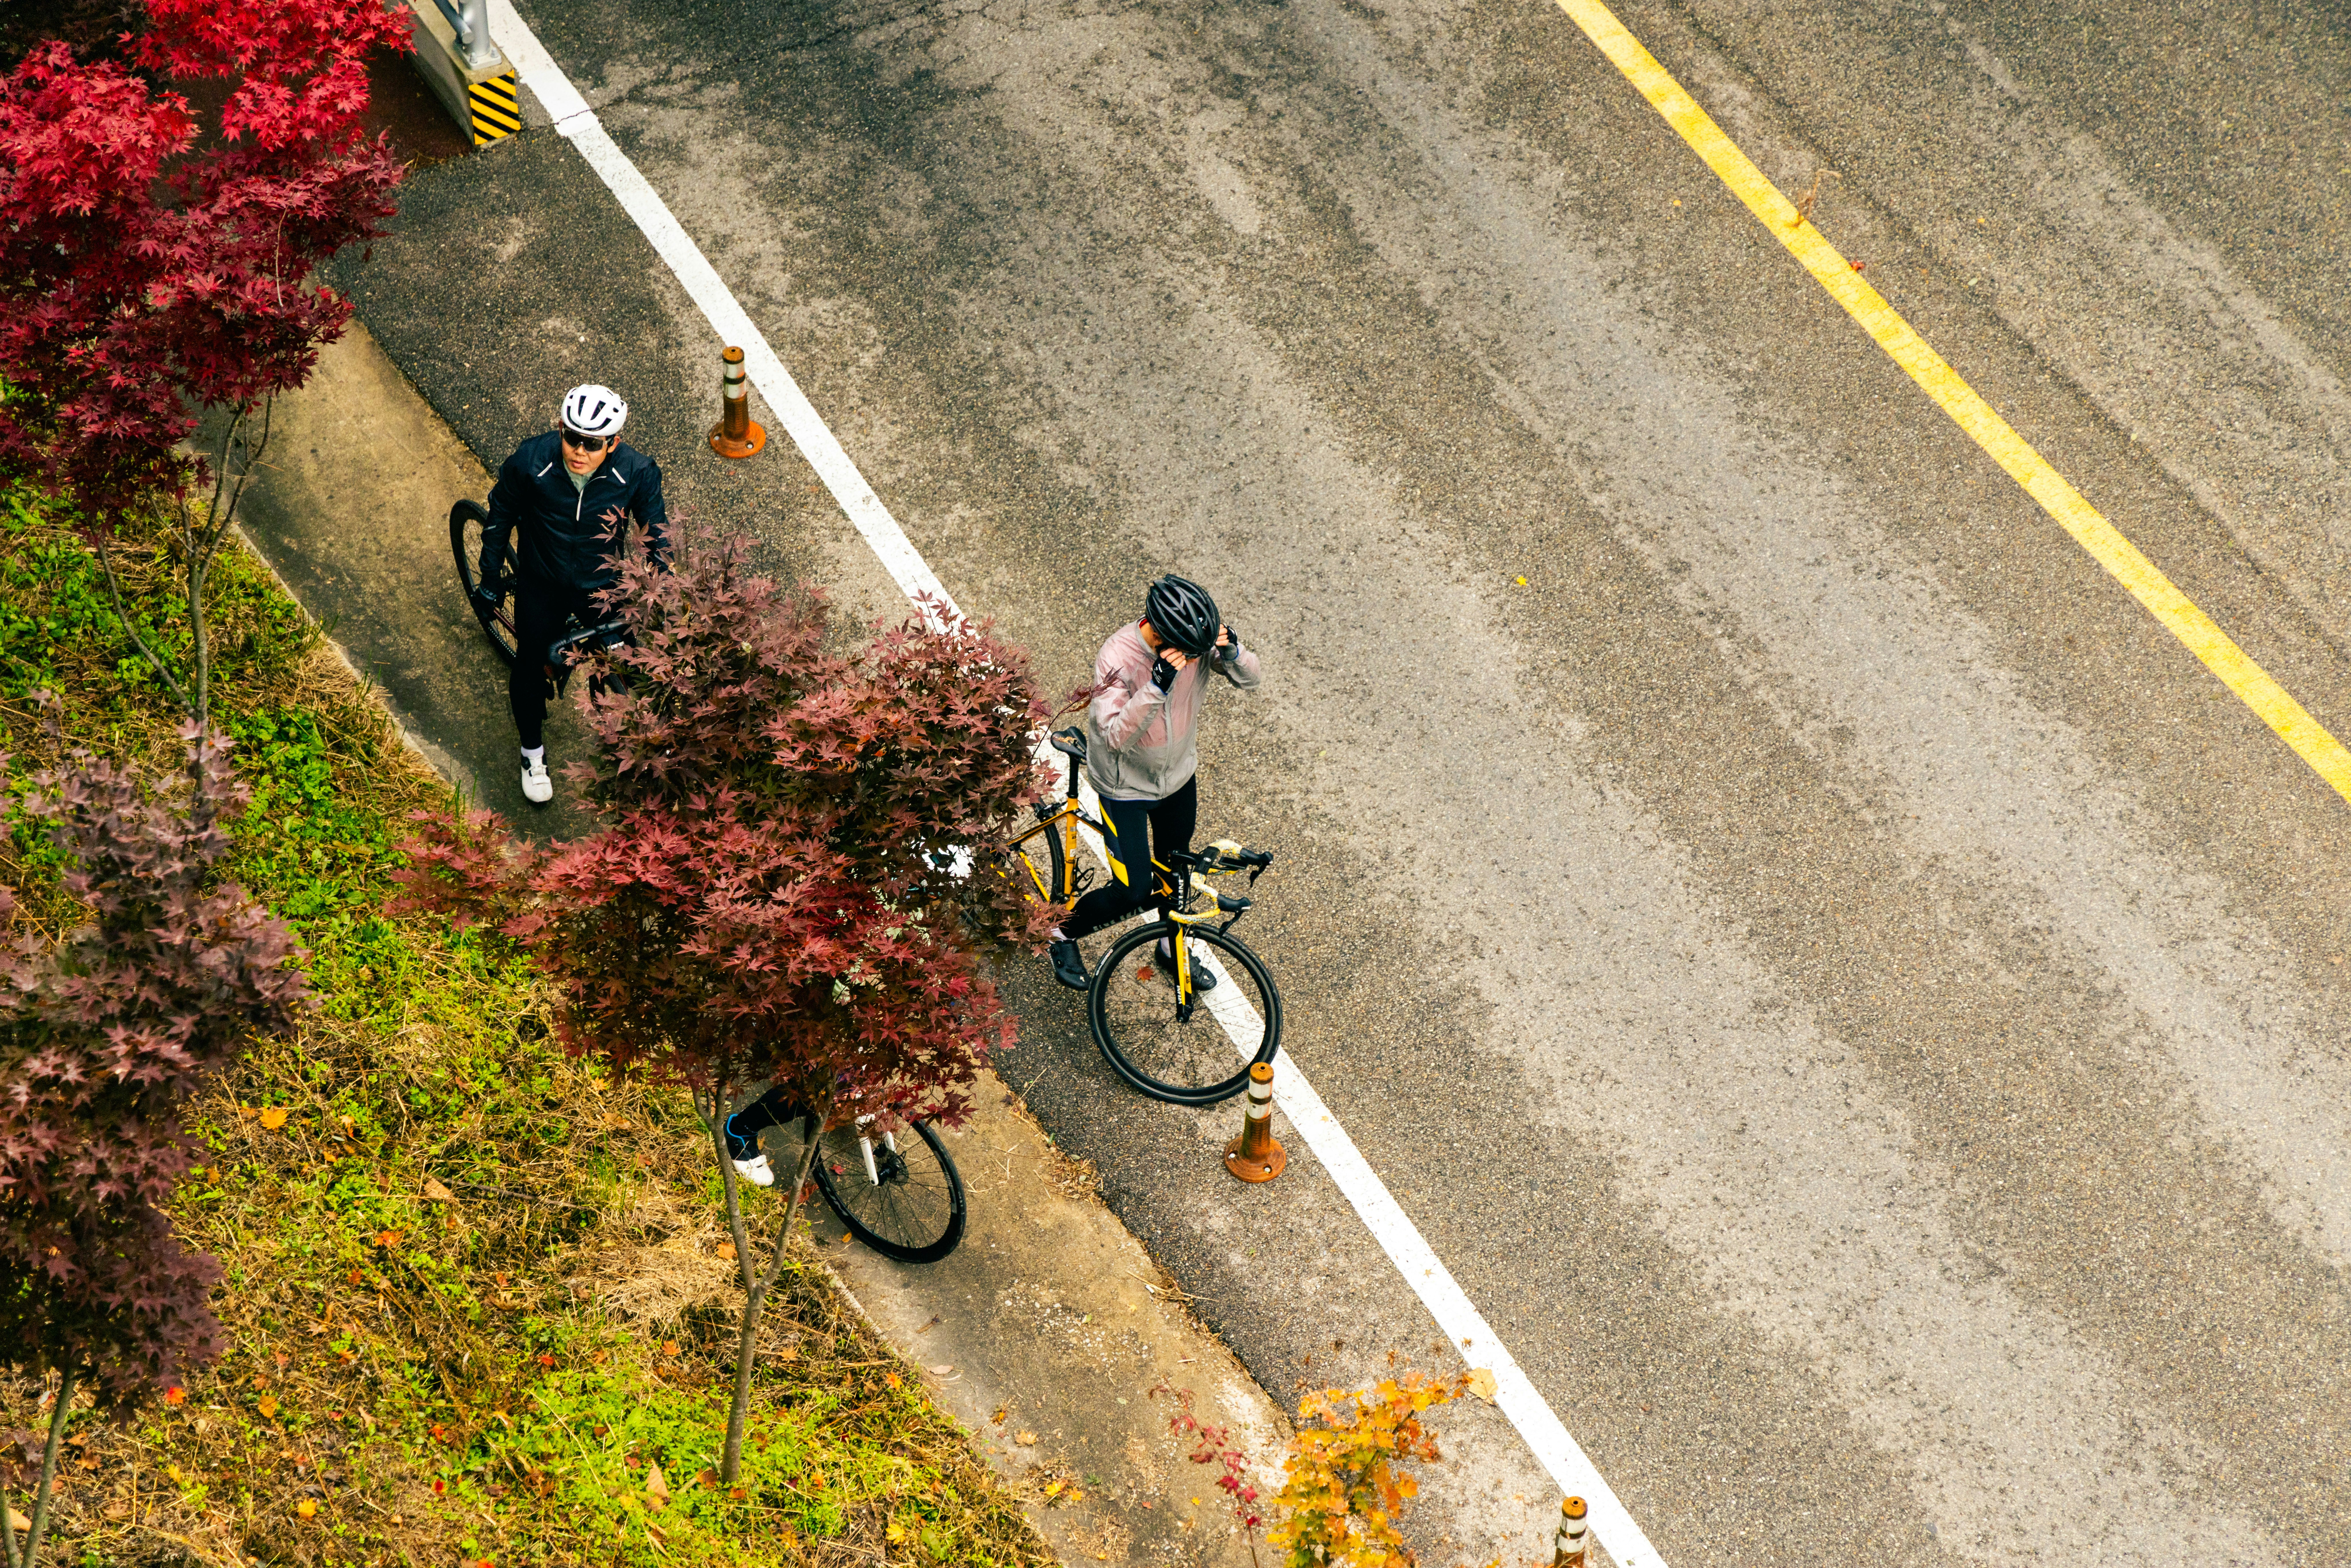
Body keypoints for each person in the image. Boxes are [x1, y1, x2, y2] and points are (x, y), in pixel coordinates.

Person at [1046, 574, 1261, 991]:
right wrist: (1156, 685)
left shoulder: (1192, 643)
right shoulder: (1117, 656)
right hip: (1124, 789)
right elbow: (1114, 736)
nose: (1196, 660)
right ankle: (1059, 934)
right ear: (1160, 634)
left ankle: (1169, 948)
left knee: (1176, 872)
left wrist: (1233, 651)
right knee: (1133, 890)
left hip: (1178, 780)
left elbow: (1251, 679)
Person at [479, 384, 670, 806]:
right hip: (541, 582)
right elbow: (499, 518)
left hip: (601, 586)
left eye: (593, 443)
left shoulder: (637, 472)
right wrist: (490, 575)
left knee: (625, 661)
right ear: (560, 429)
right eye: (572, 437)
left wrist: (664, 589)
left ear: (614, 443)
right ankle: (532, 754)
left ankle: (615, 729)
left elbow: (659, 536)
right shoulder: (531, 461)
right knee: (529, 668)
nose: (579, 450)